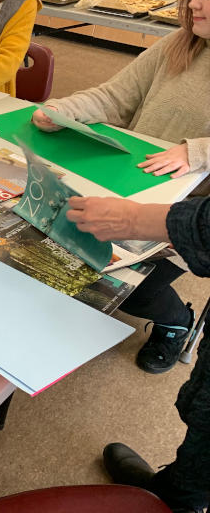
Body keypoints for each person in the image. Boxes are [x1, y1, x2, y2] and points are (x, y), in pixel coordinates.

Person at [32, 0, 210, 374]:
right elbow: (114, 96)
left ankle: (176, 322)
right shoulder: (180, 43)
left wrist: (197, 151)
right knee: (59, 238)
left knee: (128, 284)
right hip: (127, 185)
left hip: (184, 217)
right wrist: (62, 110)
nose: (194, 5)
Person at [66, 195, 210, 513]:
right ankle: (176, 493)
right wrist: (196, 152)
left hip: (184, 224)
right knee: (201, 437)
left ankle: (178, 498)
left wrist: (133, 219)